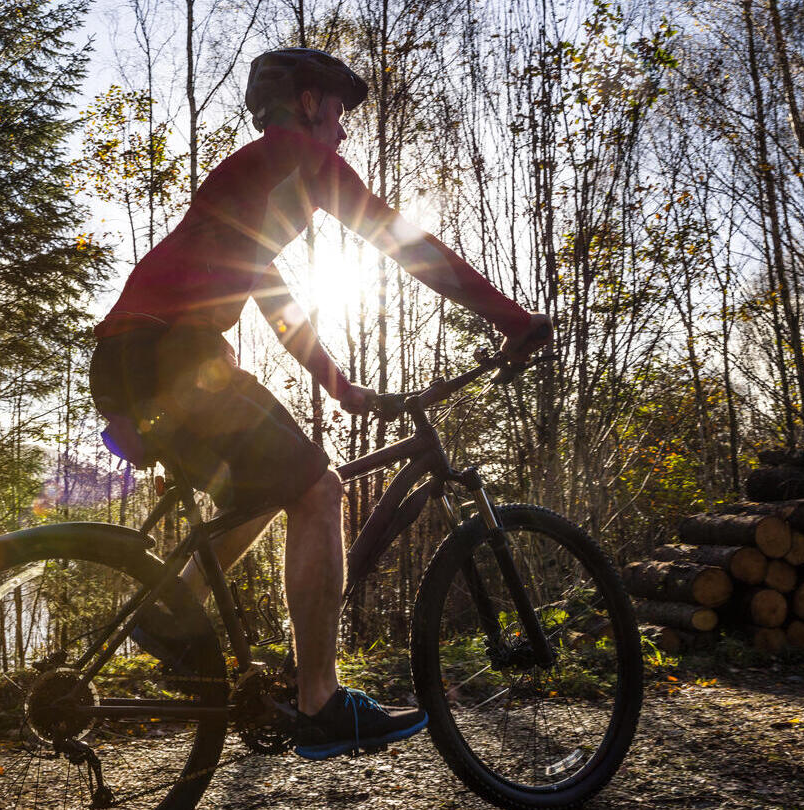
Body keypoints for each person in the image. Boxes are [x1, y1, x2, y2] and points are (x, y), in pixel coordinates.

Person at [88, 47, 552, 760]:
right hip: (167, 356)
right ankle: (320, 702)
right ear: (308, 104)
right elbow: (407, 245)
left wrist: (340, 385)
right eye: (337, 109)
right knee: (318, 487)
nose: (343, 128)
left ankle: (170, 612)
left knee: (268, 487)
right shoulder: (297, 159)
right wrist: (511, 318)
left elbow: (273, 298)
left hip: (138, 360)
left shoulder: (258, 182)